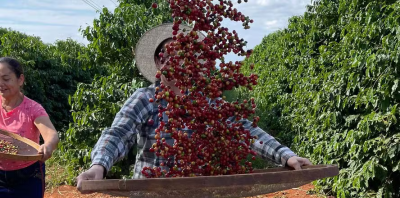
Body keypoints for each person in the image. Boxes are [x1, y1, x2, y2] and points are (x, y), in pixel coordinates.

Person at [76, 23, 312, 191]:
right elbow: (118, 133)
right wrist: (99, 166)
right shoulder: (145, 99)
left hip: (196, 191)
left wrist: (286, 156)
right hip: (149, 191)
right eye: (167, 55)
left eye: (183, 55)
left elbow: (244, 131)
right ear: (159, 62)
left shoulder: (207, 104)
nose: (175, 61)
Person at [0, 57, 59, 198]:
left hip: (28, 176)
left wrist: (48, 146)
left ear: (20, 80)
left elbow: (52, 135)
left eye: (6, 79)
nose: (1, 84)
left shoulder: (33, 109)